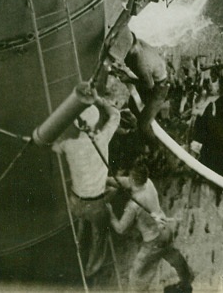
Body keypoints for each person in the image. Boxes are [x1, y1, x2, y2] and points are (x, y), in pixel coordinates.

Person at [52, 84, 124, 277]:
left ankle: (78, 236)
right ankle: (92, 267)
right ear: (96, 121)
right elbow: (115, 115)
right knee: (100, 233)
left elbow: (53, 145)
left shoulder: (69, 145)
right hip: (96, 205)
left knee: (82, 214)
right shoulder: (103, 138)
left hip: (75, 202)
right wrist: (99, 99)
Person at [112, 160, 193, 293]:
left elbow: (120, 228)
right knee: (172, 254)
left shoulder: (133, 205)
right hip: (165, 229)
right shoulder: (148, 183)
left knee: (136, 274)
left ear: (132, 178)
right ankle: (186, 279)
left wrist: (110, 213)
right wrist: (107, 180)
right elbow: (126, 181)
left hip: (153, 241)